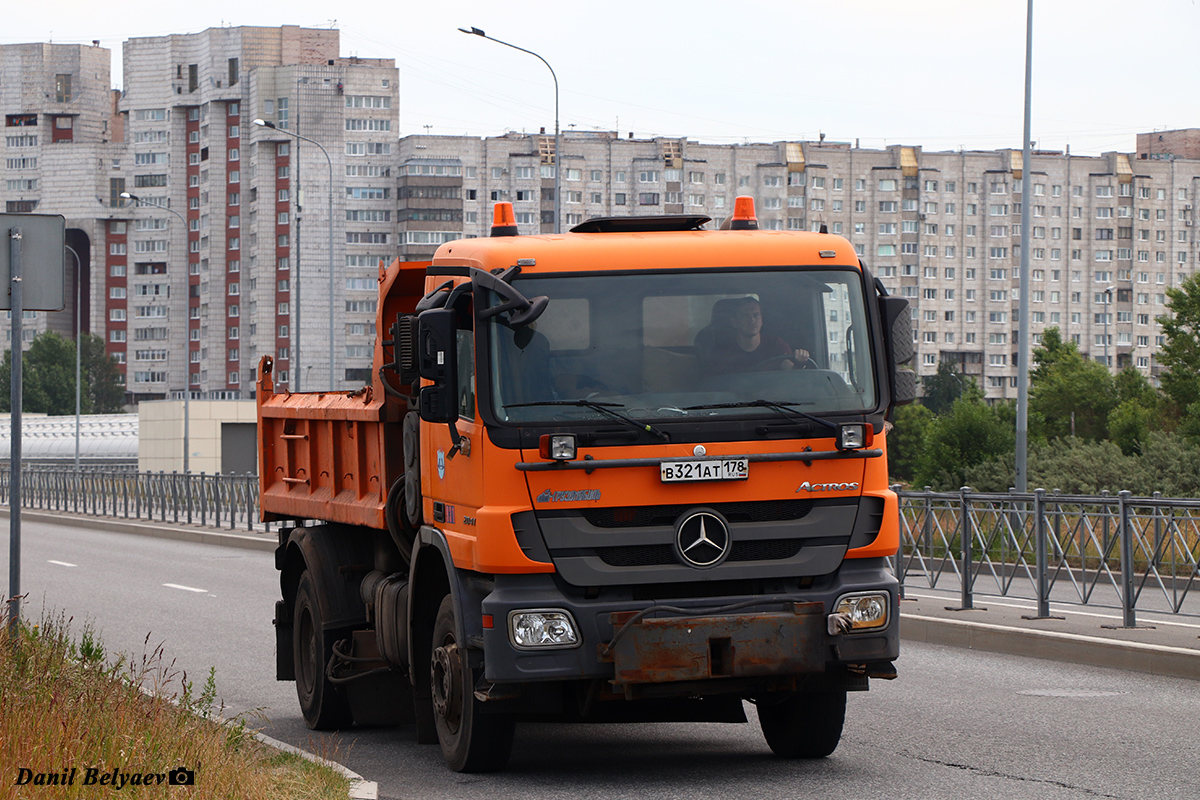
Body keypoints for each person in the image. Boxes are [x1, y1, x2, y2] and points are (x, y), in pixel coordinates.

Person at [705, 296, 810, 373]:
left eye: (756, 315)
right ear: (734, 322)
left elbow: (791, 372)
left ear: (761, 320)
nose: (752, 320)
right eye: (745, 316)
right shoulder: (722, 352)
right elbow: (713, 385)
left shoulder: (776, 345)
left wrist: (799, 362)